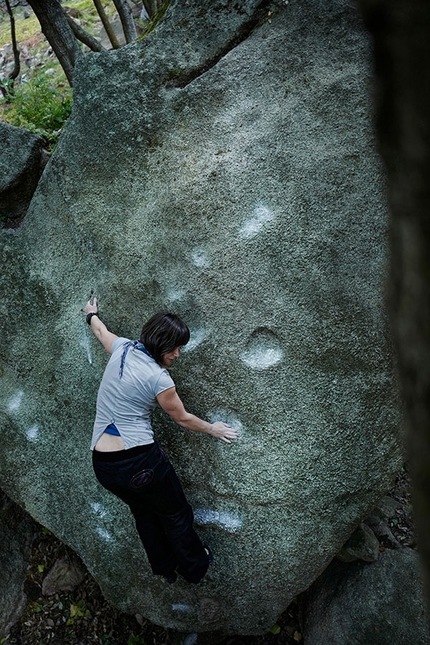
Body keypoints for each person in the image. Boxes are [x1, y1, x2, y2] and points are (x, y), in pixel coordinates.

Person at [84, 296, 238, 584]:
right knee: (176, 514)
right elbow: (182, 418)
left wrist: (91, 314)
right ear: (161, 343)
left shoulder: (122, 348)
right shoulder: (159, 379)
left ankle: (165, 569)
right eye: (176, 348)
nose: (178, 354)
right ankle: (195, 567)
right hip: (140, 463)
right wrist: (214, 429)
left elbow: (100, 332)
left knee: (144, 513)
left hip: (103, 465)